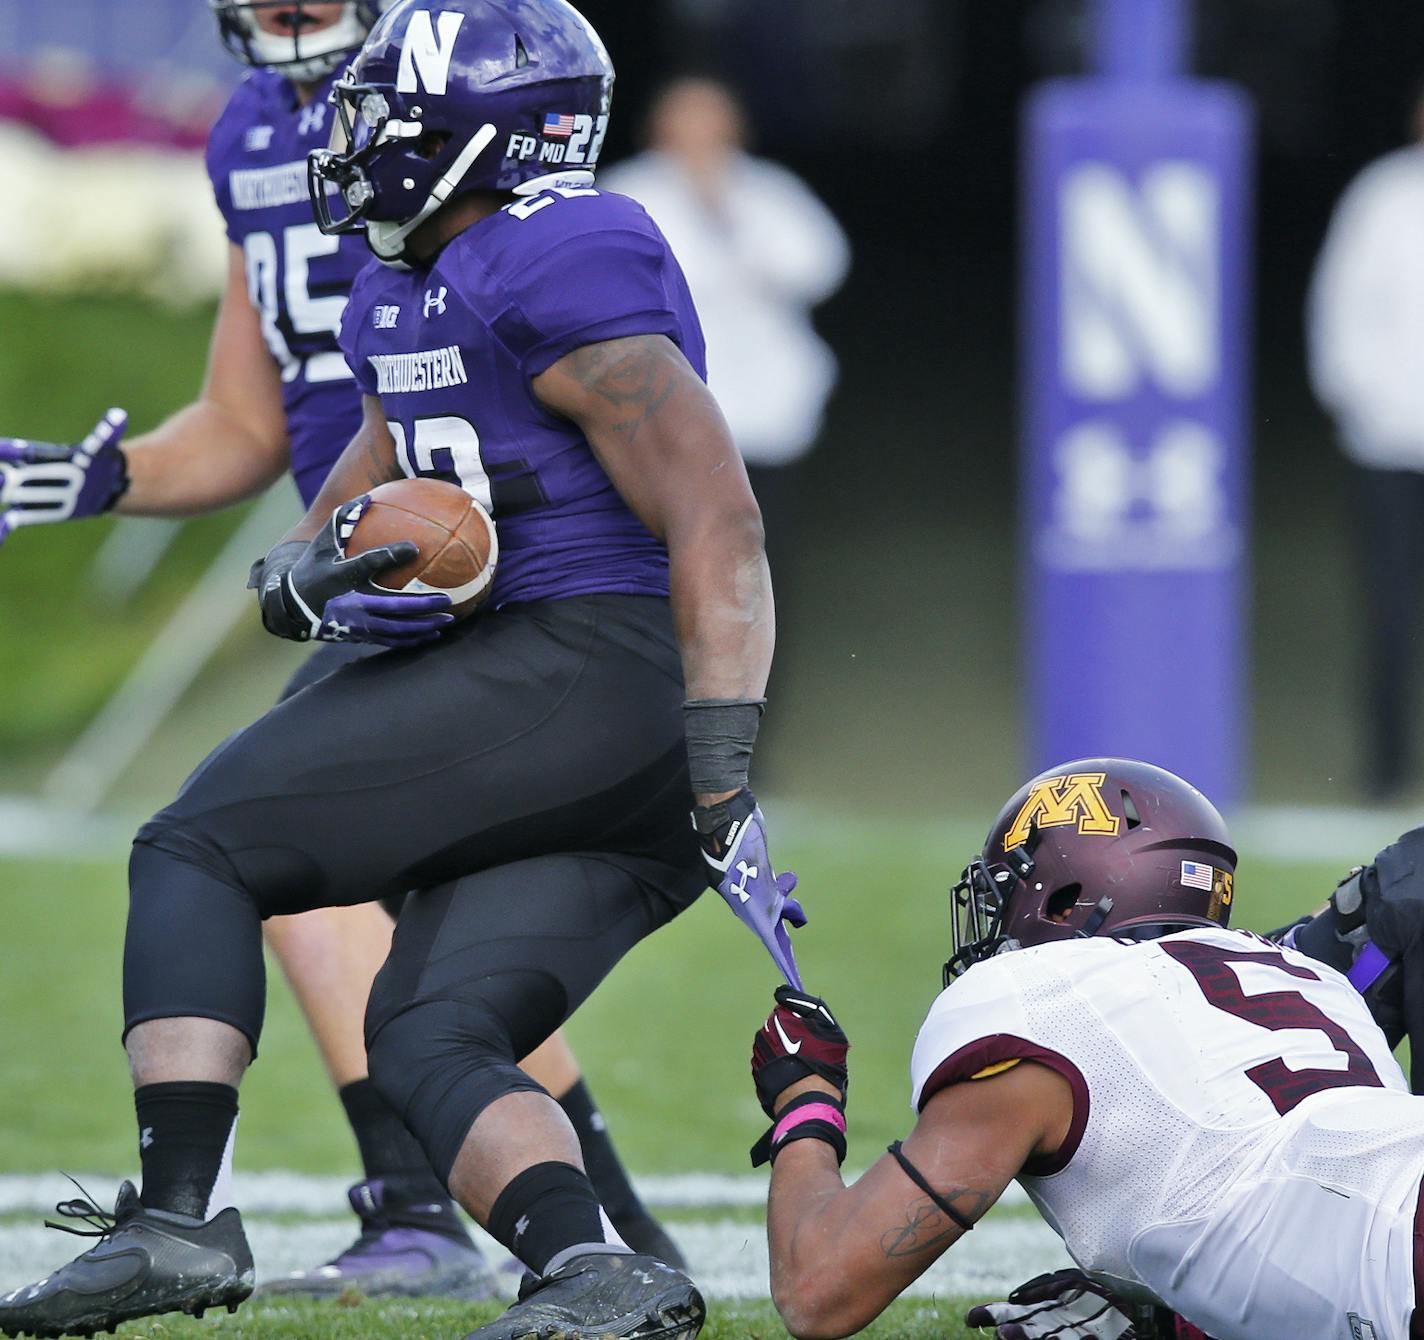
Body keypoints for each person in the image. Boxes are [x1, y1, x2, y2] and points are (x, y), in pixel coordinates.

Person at [0, 0, 688, 1314]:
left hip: (511, 559)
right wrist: (105, 482)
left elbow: (665, 448)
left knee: (275, 857)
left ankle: (414, 1208)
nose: (284, 18)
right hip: (377, 567)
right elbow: (247, 419)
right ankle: (601, 1233)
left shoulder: (475, 120)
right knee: (425, 942)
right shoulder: (255, 132)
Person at [747, 758, 1424, 1340]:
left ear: (1067, 900)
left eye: (1009, 893)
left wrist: (805, 1099)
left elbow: (820, 1290)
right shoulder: (1314, 983)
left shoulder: (1042, 998)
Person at [599, 77, 848, 610]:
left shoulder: (766, 190)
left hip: (765, 414)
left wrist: (728, 217)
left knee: (762, 554)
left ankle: (760, 687)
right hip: (666, 416)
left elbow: (819, 264)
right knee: (674, 552)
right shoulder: (628, 193)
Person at [1308, 87, 1424, 800]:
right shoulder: (1382, 197)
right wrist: (1358, 398)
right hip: (1387, 439)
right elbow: (1339, 306)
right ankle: (1384, 772)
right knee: (1391, 607)